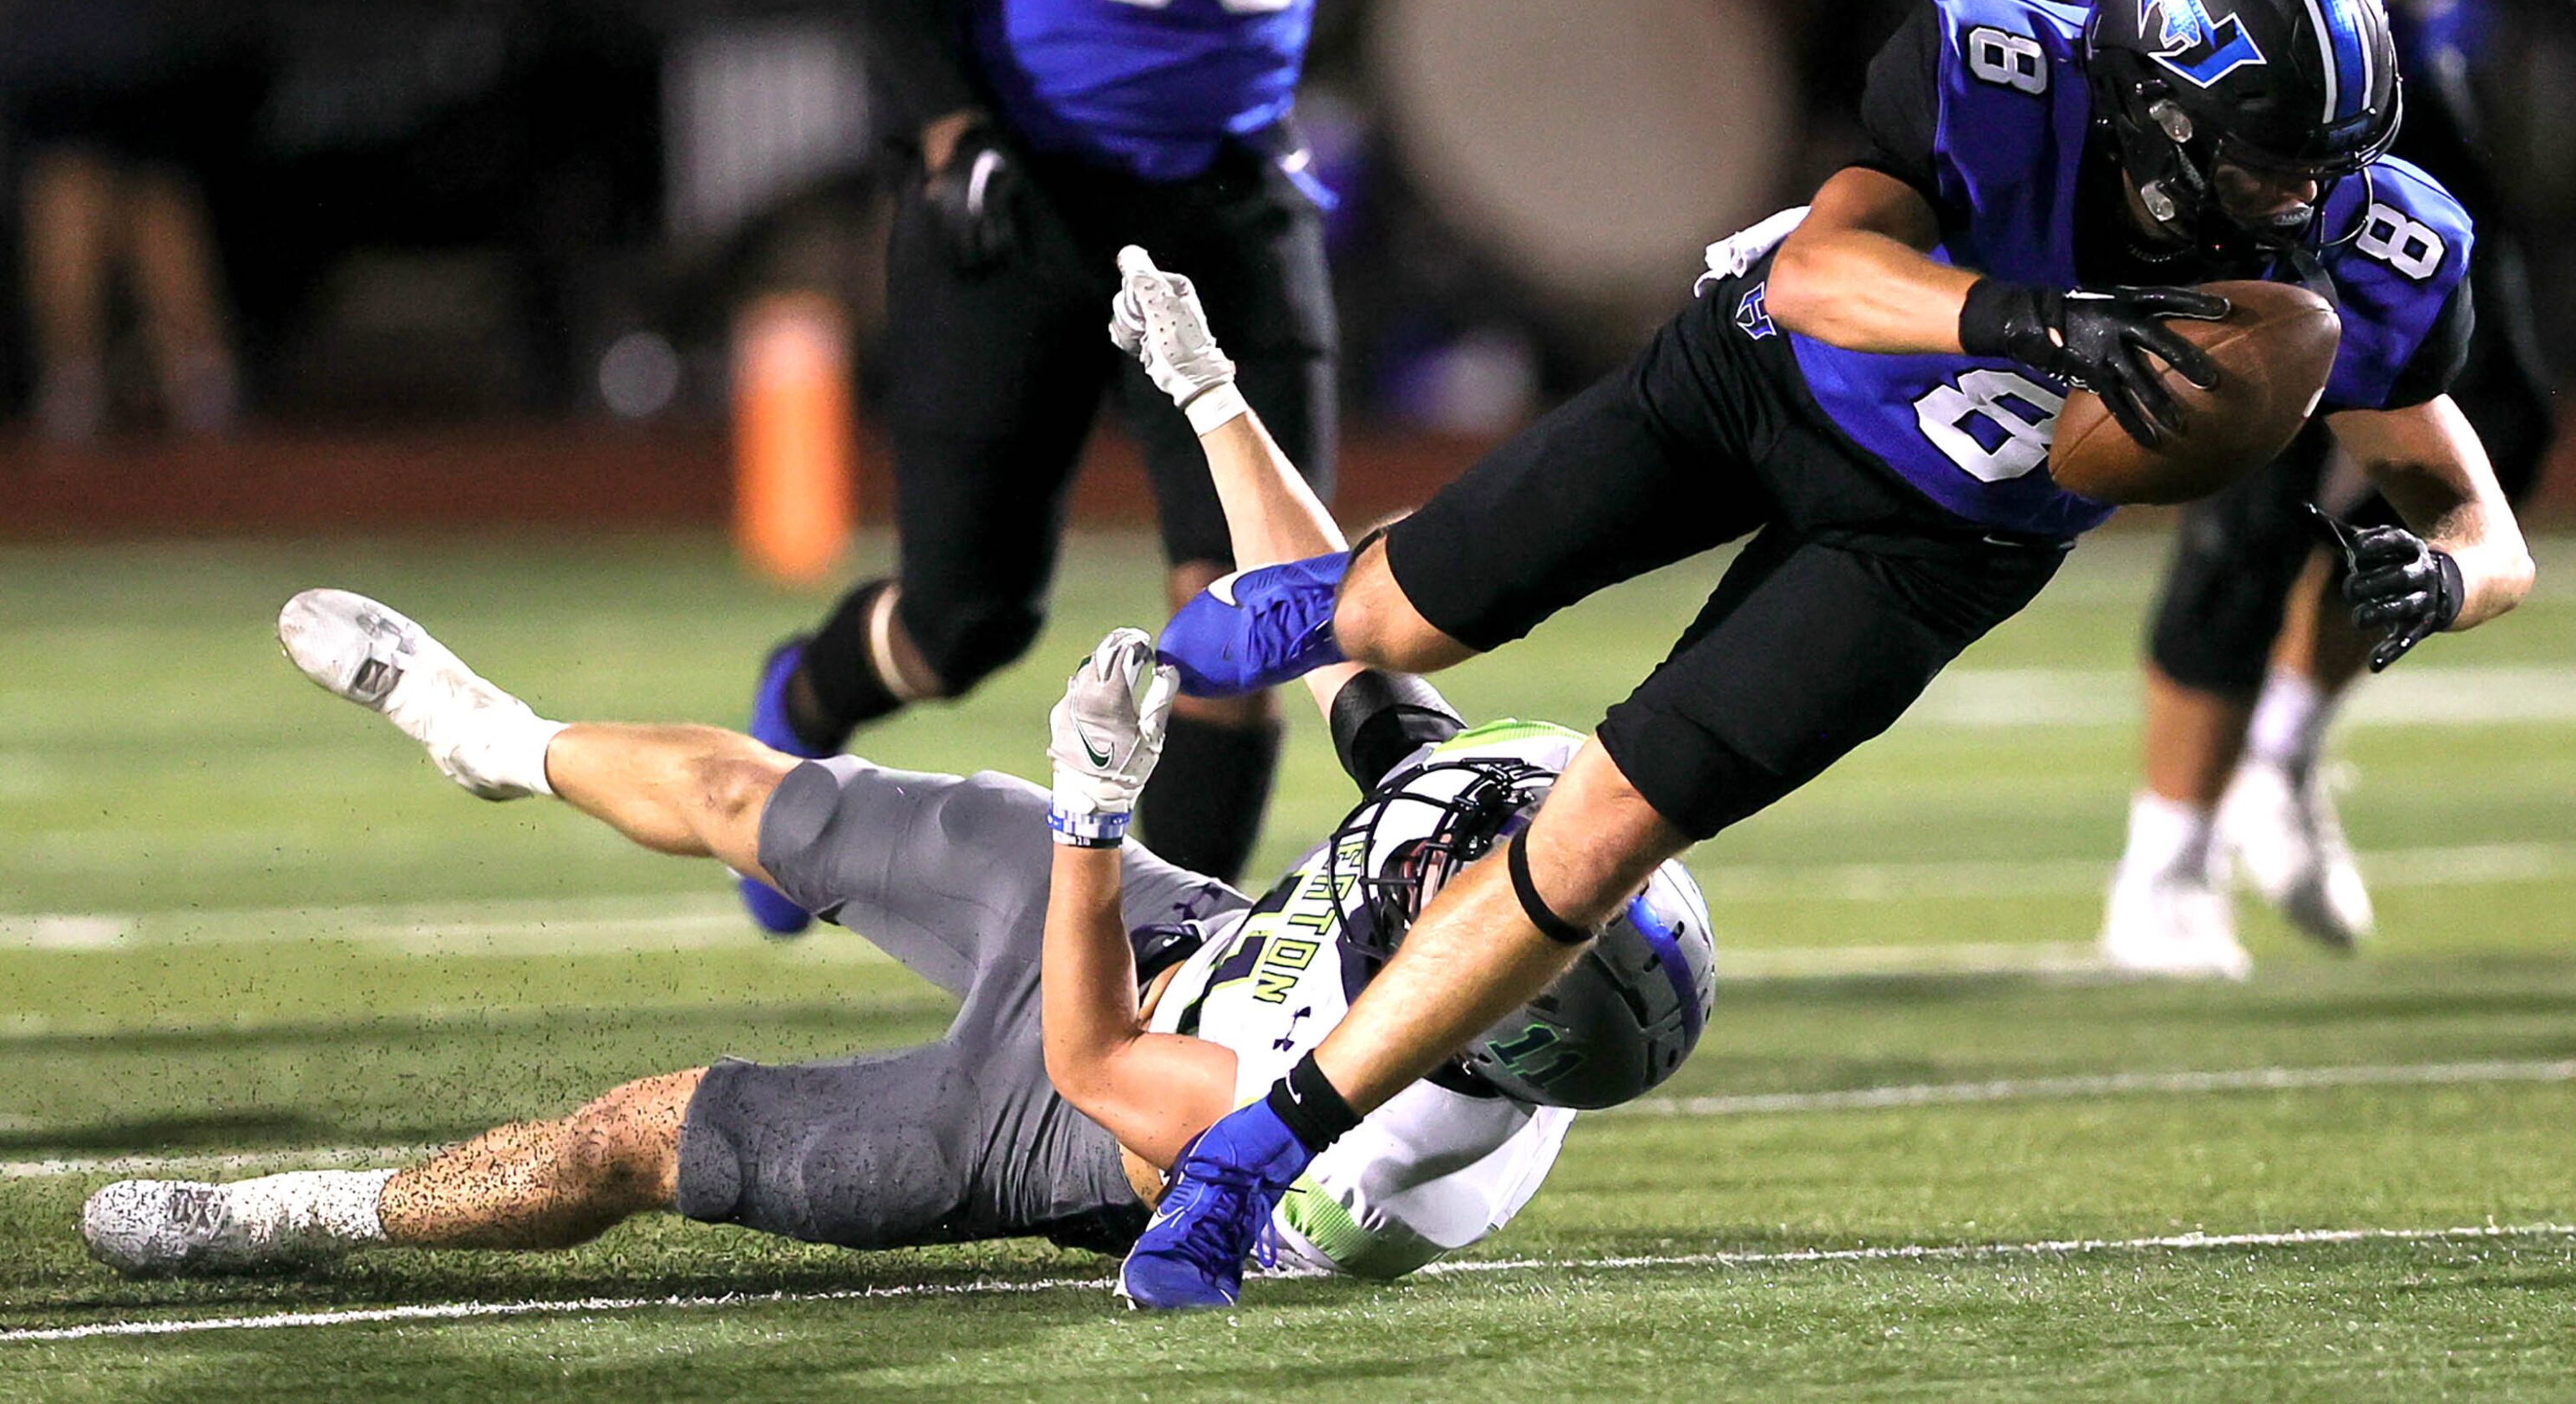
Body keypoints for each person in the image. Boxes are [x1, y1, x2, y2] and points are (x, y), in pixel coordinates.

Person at [1106, 0, 2538, 1307]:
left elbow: (2483, 521)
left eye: (2326, 160)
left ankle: (1255, 1152)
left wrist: (2439, 574)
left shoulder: (2356, 255)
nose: (2309, 196)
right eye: (2275, 156)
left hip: (1935, 548)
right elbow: (1811, 277)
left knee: (1598, 836)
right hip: (1755, 388)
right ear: (2159, 111)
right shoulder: (1999, 74)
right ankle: (1216, 619)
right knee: (1397, 616)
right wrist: (2028, 314)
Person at [81, 255, 1710, 1285]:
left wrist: (1088, 813)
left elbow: (1088, 1067)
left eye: (1457, 891)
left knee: (629, 1140)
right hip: (1181, 933)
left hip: (1058, 1121)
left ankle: (292, 1218)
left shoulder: (1367, 1144)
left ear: (1477, 1019)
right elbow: (1345, 638)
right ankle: (490, 738)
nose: (1431, 852)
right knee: (753, 797)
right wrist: (1214, 404)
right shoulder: (1500, 916)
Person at [724, 0, 1356, 936]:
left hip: (1227, 189)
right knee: (959, 624)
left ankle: (1158, 966)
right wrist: (943, 123)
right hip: (1022, 188)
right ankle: (806, 697)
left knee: (1256, 612)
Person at [2085, 0, 2576, 977]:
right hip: (2205, 97)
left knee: (2495, 420)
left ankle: (2281, 744)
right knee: (2260, 461)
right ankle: (2161, 864)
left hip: (2371, 98)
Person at [0, 0, 239, 442]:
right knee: (132, 192)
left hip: (53, 33)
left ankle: (76, 384)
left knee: (76, 187)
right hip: (113, 35)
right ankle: (194, 377)